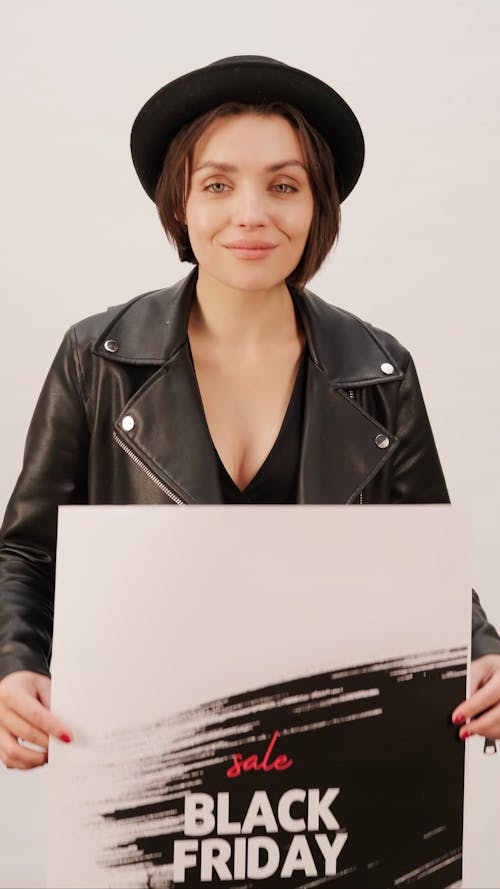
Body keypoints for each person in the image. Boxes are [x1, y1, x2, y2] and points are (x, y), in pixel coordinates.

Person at [1, 55, 500, 772]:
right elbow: (26, 552)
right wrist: (14, 663)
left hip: (333, 777)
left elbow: (427, 564)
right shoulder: (96, 358)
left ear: (316, 205)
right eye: (218, 184)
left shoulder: (379, 370)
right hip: (149, 771)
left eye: (284, 185)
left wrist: (483, 651)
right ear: (180, 203)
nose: (252, 213)